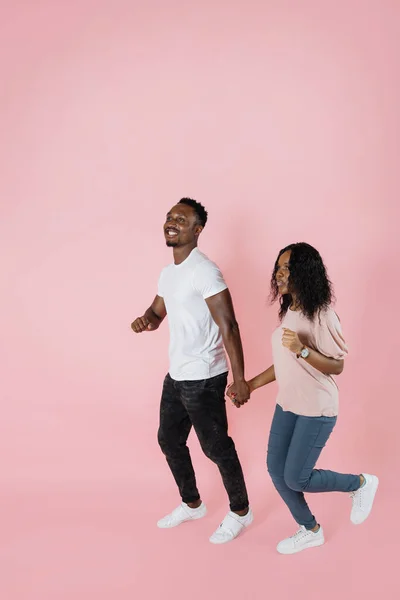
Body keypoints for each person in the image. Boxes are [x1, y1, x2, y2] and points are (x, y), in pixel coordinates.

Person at [228, 242, 379, 554]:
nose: (279, 273)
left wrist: (304, 349)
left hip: (317, 409)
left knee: (297, 478)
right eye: (279, 267)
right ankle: (310, 529)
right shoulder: (291, 310)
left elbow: (337, 364)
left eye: (287, 268)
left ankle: (360, 484)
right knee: (276, 470)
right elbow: (285, 363)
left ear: (305, 273)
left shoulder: (323, 315)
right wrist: (251, 385)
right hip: (288, 405)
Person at [131, 198, 253, 544]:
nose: (172, 222)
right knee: (168, 439)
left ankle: (241, 511)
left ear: (197, 230)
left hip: (204, 376)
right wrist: (146, 321)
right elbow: (157, 312)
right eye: (170, 217)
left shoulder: (205, 271)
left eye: (181, 220)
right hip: (177, 375)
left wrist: (239, 378)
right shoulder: (168, 273)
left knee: (216, 447)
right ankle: (192, 503)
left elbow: (229, 325)